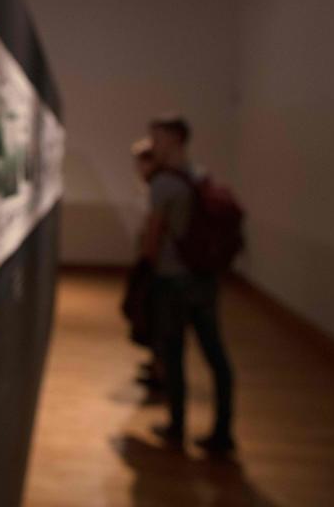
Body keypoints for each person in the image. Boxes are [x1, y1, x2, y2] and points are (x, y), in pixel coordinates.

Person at [143, 114, 235, 454]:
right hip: (204, 279)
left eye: (158, 139)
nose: (153, 146)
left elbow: (153, 238)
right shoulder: (200, 175)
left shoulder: (163, 183)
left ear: (176, 140)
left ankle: (177, 426)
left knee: (175, 353)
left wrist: (147, 269)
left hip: (173, 280)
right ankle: (223, 431)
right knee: (216, 356)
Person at [123, 138, 162, 392]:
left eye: (141, 162)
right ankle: (157, 366)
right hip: (154, 262)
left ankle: (161, 371)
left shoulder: (159, 187)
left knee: (155, 317)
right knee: (151, 315)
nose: (138, 168)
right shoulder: (153, 187)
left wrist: (147, 259)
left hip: (156, 265)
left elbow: (154, 228)